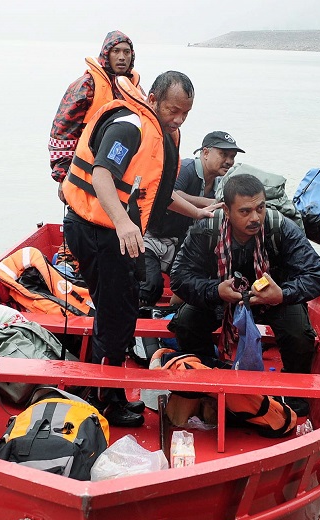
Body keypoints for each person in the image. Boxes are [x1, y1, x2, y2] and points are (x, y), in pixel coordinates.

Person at [61, 71, 216, 427]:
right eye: (172, 110)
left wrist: (198, 210)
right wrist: (124, 223)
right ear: (153, 98)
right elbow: (102, 174)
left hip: (116, 232)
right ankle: (106, 400)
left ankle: (103, 388)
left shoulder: (161, 134)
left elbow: (157, 193)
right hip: (96, 230)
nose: (177, 120)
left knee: (124, 307)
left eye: (184, 115)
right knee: (116, 316)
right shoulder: (130, 126)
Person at [168, 174, 320, 410]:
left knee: (299, 334)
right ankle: (206, 375)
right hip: (221, 298)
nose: (255, 218)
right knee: (185, 323)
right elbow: (179, 278)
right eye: (245, 211)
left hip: (273, 298)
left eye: (260, 208)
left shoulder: (281, 227)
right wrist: (215, 290)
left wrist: (283, 294)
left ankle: (295, 393)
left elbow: (318, 275)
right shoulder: (206, 230)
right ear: (226, 210)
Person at [140, 131, 244, 306]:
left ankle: (174, 312)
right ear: (205, 153)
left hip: (180, 244)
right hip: (150, 238)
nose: (229, 161)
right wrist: (207, 203)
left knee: (197, 282)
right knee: (150, 286)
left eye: (232, 156)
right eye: (223, 154)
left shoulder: (221, 183)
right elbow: (169, 194)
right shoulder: (186, 168)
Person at [49, 30, 142, 204]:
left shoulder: (134, 89)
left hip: (118, 174)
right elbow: (61, 133)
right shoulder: (86, 85)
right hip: (82, 172)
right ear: (106, 54)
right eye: (116, 51)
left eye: (126, 52)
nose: (122, 57)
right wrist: (62, 177)